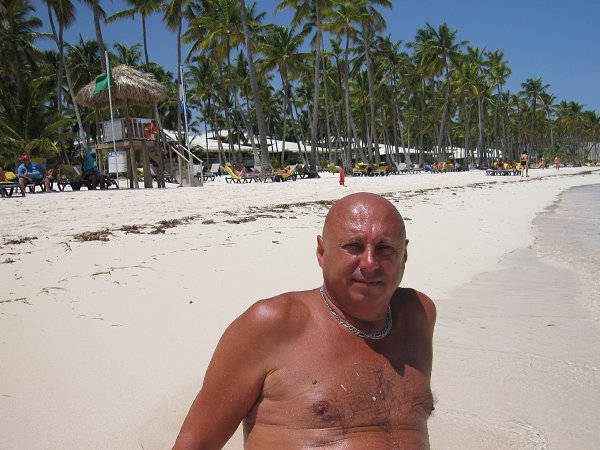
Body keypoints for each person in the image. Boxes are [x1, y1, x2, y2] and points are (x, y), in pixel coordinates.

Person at [173, 192, 436, 449]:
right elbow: (196, 444)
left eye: (385, 249)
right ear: (321, 252)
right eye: (354, 247)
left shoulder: (418, 315)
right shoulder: (273, 325)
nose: (370, 263)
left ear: (404, 254)